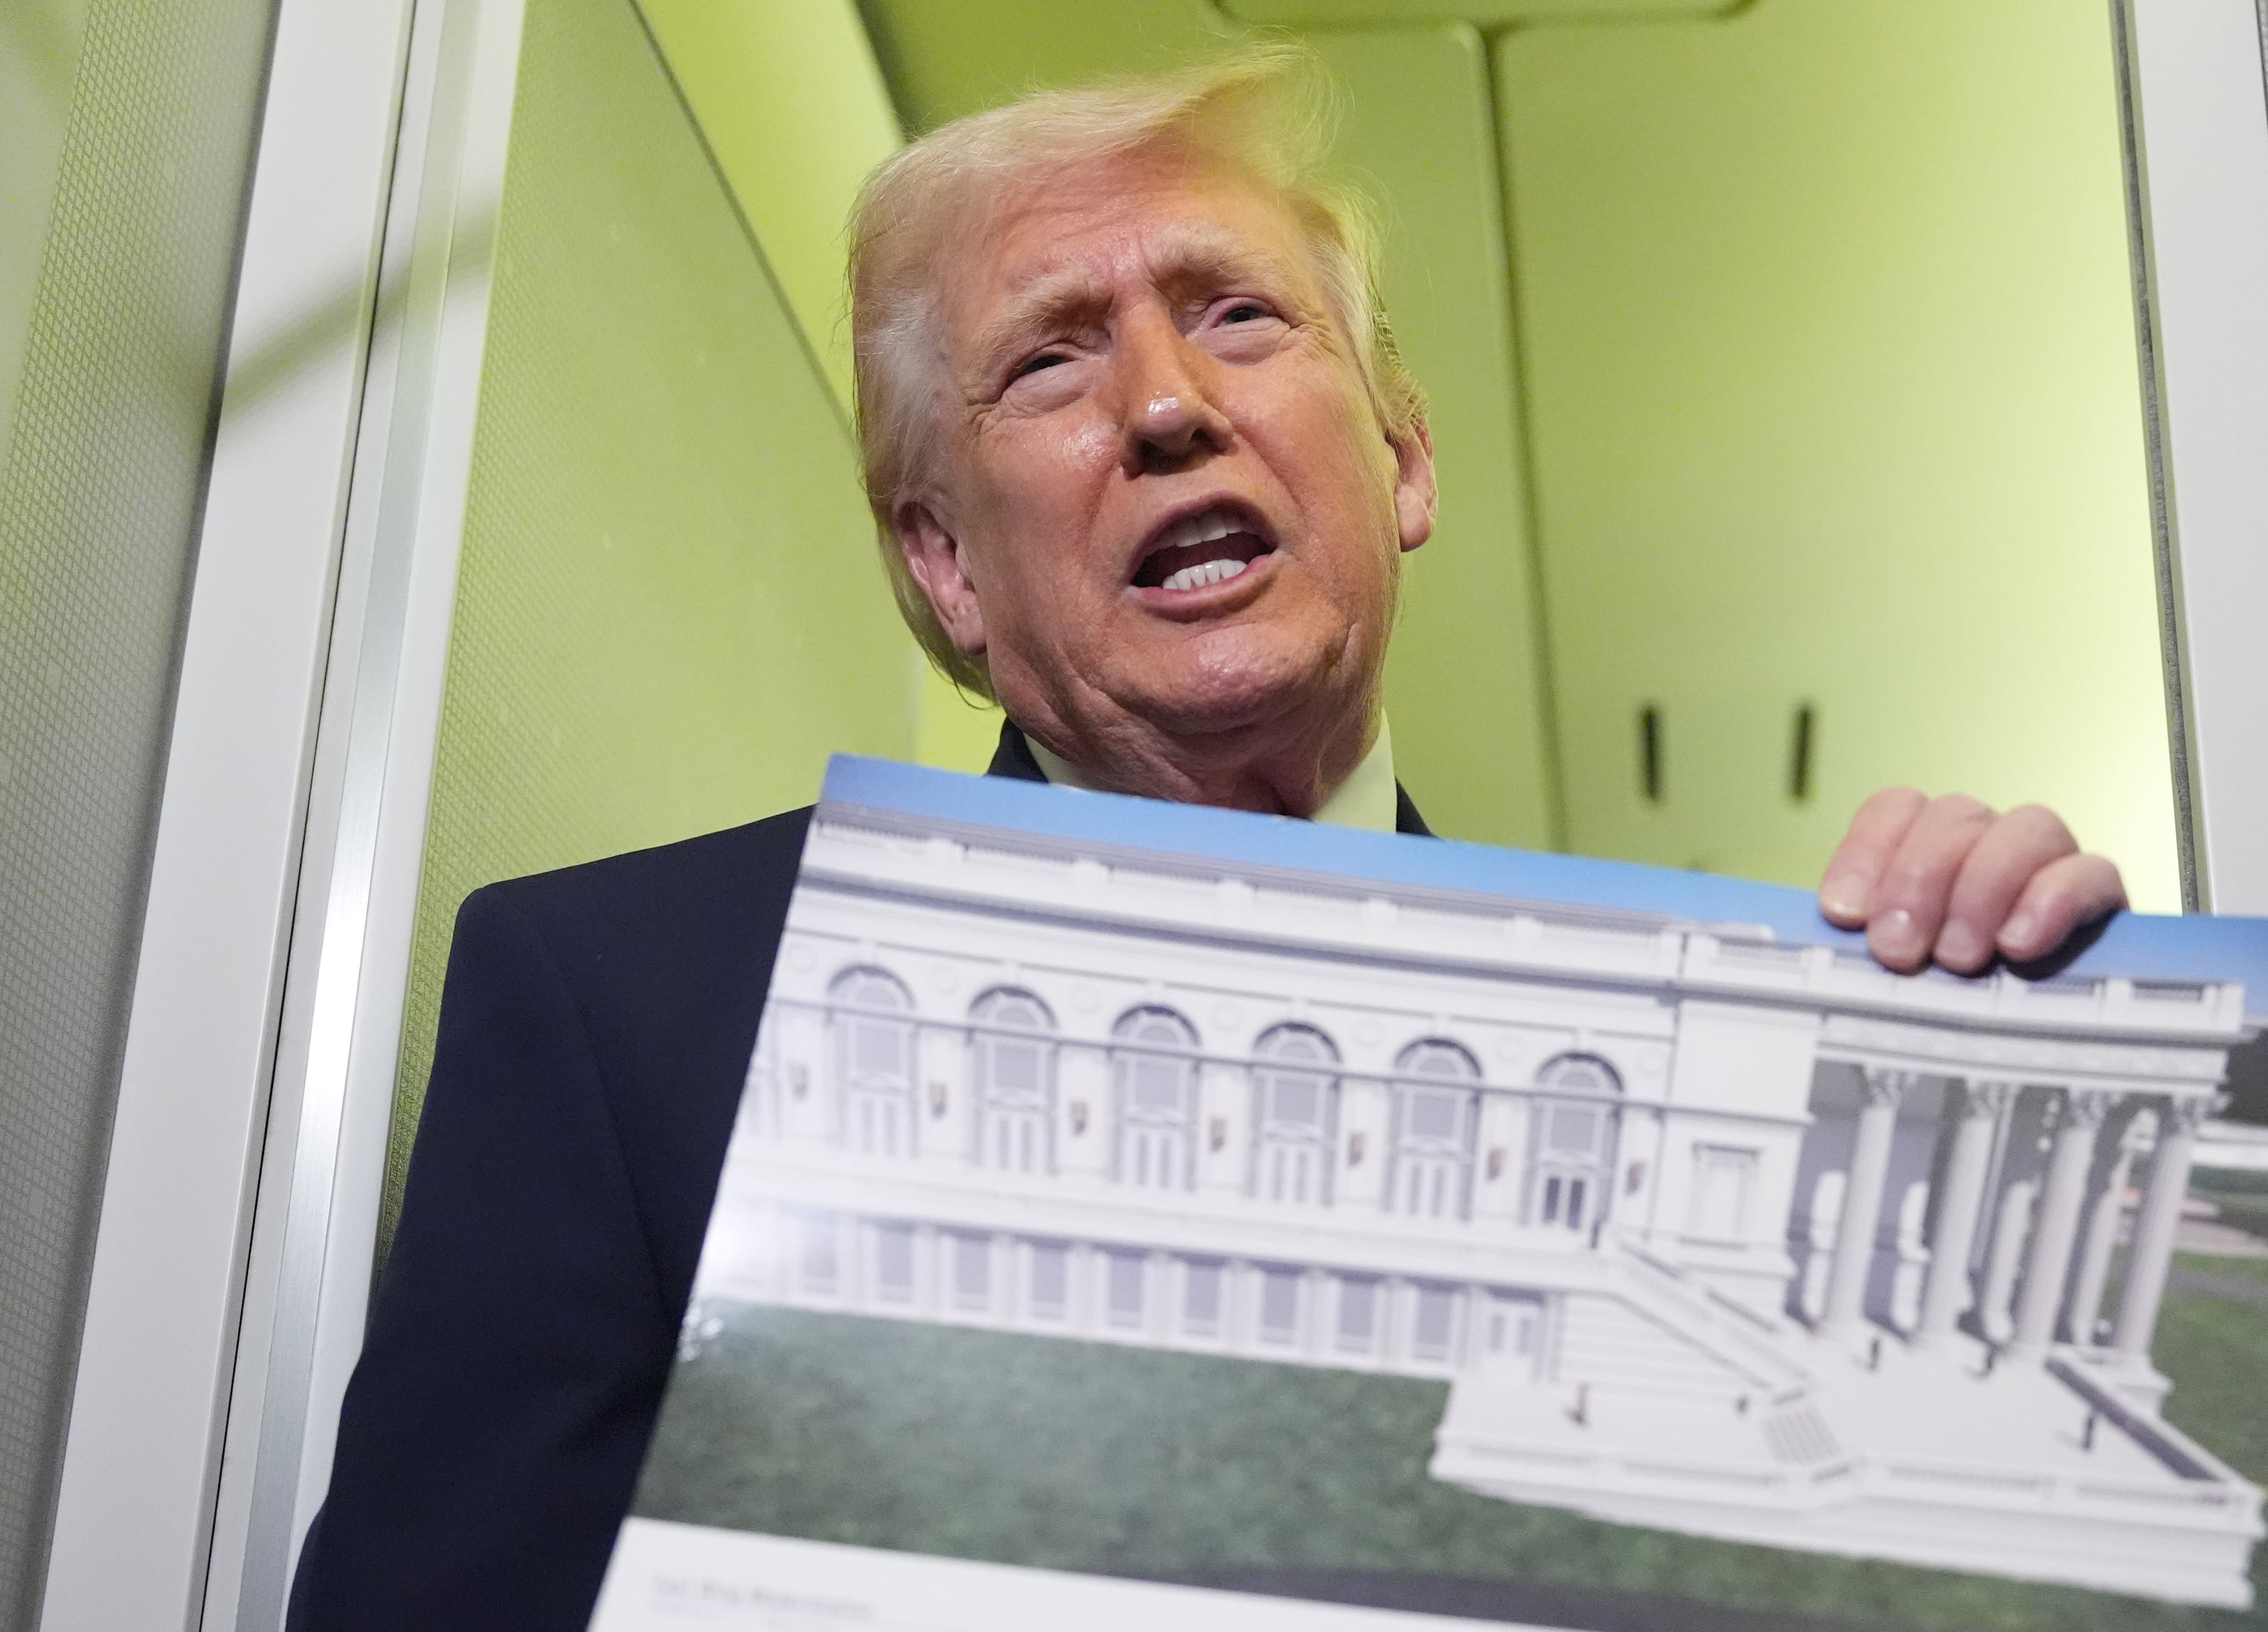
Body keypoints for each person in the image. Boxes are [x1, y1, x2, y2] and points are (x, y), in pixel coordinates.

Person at [284, 43, 2127, 1630]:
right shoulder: (627, 1008)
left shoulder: (1728, 1060)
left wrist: (2001, 1038)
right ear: (943, 568)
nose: (1168, 406)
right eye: (1051, 365)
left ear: (1401, 453)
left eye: (1237, 313)